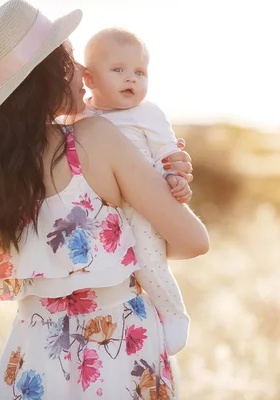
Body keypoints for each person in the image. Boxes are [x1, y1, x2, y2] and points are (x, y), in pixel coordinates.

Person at [0, 0, 209, 398]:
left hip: (33, 352)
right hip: (117, 347)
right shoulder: (98, 139)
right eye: (70, 62)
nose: (84, 78)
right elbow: (193, 241)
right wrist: (163, 183)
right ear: (46, 76)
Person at [73, 27, 191, 356]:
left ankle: (173, 313)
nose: (131, 79)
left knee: (149, 262)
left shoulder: (148, 113)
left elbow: (170, 158)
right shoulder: (81, 115)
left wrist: (176, 180)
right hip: (101, 208)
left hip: (142, 203)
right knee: (113, 272)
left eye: (140, 72)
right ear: (90, 79)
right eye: (118, 70)